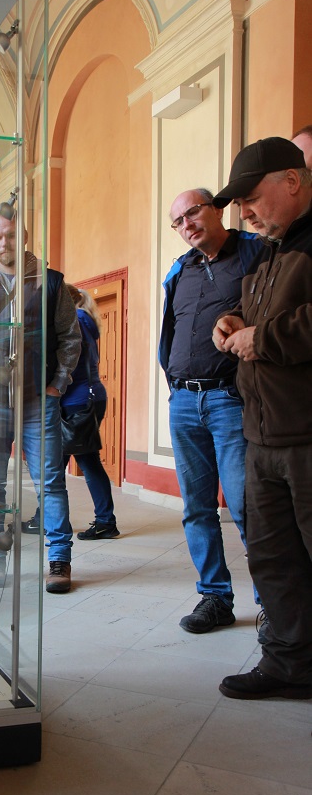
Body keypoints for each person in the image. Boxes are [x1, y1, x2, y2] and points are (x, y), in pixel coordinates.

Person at [212, 136, 312, 700]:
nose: (244, 212)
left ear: (292, 181)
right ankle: (290, 665)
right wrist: (231, 320)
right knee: (274, 560)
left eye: (251, 198)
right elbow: (259, 312)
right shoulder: (269, 250)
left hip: (306, 436)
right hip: (262, 435)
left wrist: (262, 338)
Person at [0, 201, 80, 593]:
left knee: (50, 482)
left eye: (9, 235)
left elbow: (70, 337)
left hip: (38, 398)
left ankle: (59, 559)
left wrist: (57, 384)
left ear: (22, 237)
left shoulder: (50, 282)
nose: (3, 242)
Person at [160, 187, 262, 633]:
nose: (187, 225)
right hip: (184, 401)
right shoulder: (180, 270)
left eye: (193, 213)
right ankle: (215, 598)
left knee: (246, 505)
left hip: (229, 400)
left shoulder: (253, 253)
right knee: (197, 509)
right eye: (178, 222)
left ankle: (271, 604)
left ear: (217, 209)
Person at [22, 286, 119, 540]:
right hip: (82, 398)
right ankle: (48, 517)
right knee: (61, 462)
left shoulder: (77, 320)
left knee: (83, 461)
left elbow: (69, 360)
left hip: (77, 401)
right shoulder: (83, 319)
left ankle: (104, 521)